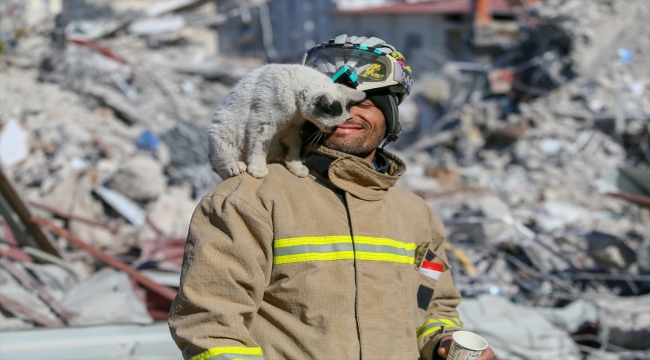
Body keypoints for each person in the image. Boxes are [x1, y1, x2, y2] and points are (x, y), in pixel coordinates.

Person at [169, 35, 495, 360]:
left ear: (390, 116)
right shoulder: (248, 200)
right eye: (333, 101)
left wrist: (445, 341)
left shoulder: (416, 215)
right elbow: (212, 327)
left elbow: (433, 306)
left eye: (364, 103)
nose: (346, 114)